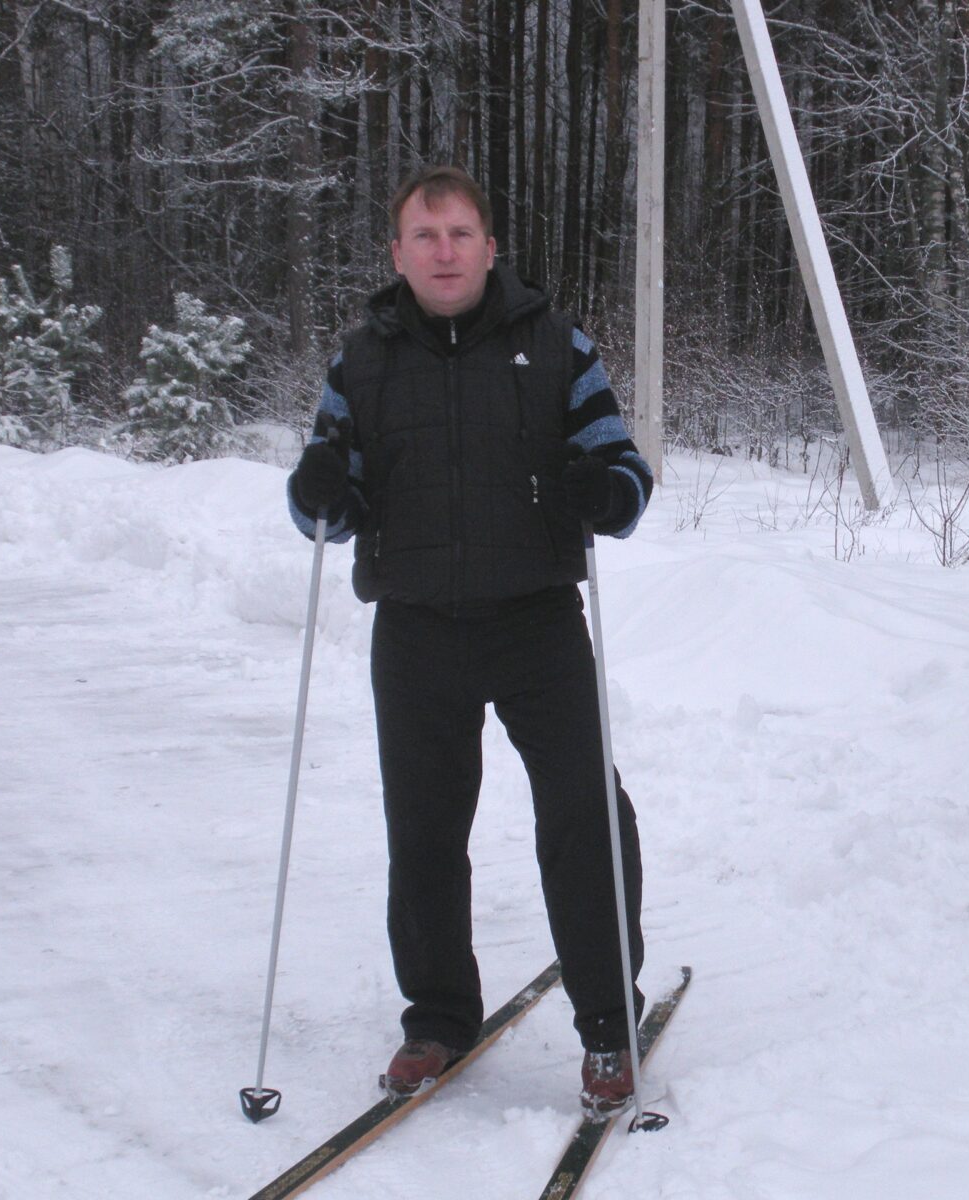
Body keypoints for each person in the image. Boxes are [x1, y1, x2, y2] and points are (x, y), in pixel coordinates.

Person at [285, 165, 652, 1121]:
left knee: (583, 817)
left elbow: (622, 465)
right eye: (424, 236)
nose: (443, 252)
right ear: (397, 252)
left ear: (491, 248)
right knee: (424, 833)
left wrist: (608, 494)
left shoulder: (555, 343)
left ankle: (609, 1022)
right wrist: (319, 490)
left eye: (459, 235)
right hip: (415, 629)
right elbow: (327, 503)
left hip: (535, 622)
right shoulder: (362, 360)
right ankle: (439, 1018)